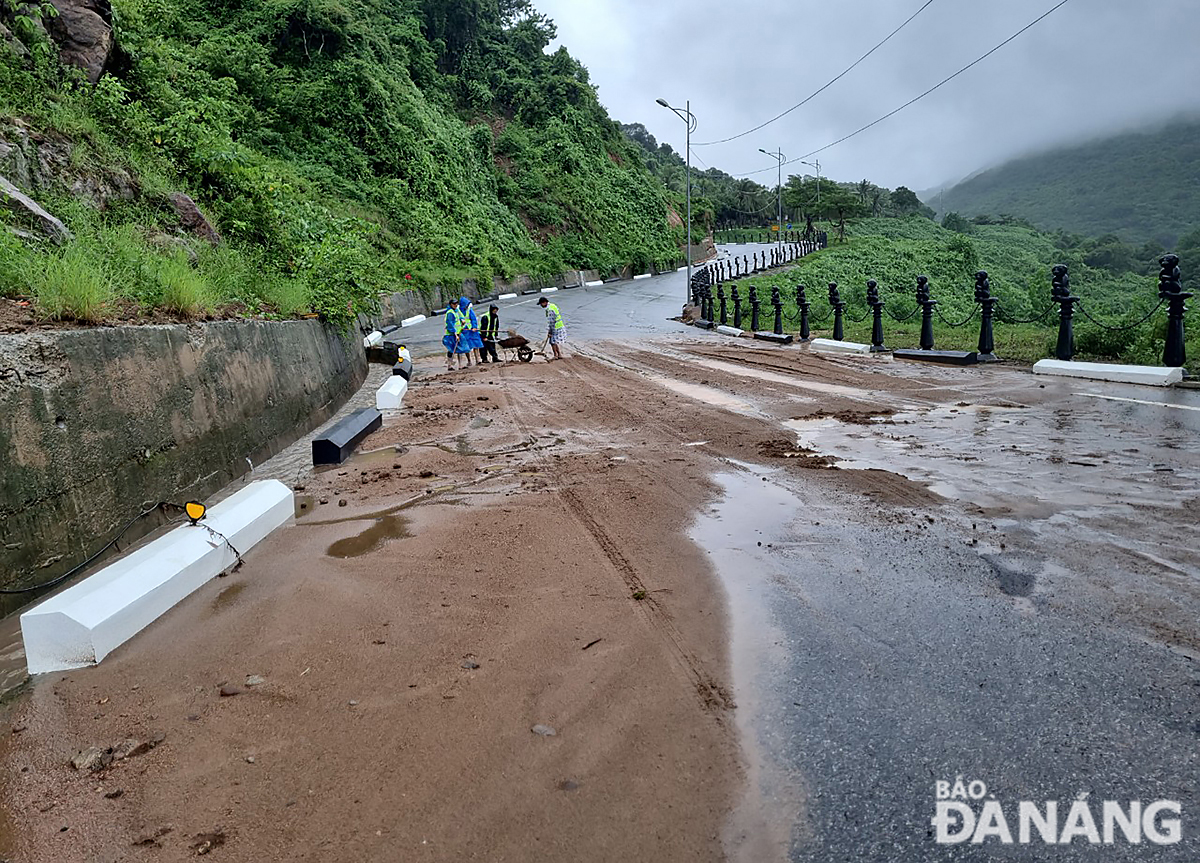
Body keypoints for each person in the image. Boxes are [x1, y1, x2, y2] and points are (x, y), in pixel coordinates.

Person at [537, 296, 567, 360]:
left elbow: (552, 321)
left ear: (544, 302)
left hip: (555, 327)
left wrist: (550, 331)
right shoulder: (553, 305)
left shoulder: (550, 310)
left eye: (541, 304)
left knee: (552, 342)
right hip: (559, 325)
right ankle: (559, 354)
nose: (541, 306)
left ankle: (555, 355)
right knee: (554, 341)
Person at [442, 303, 468, 371]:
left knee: (460, 349)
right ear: (451, 304)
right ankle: (449, 365)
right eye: (454, 304)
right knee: (451, 350)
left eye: (456, 304)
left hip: (458, 332)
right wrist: (455, 334)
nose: (455, 305)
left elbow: (461, 316)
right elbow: (450, 324)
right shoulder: (450, 313)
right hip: (451, 334)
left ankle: (460, 365)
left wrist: (462, 320)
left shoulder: (457, 310)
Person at [459, 297, 484, 366]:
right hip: (464, 331)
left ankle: (477, 360)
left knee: (476, 345)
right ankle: (469, 360)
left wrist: (474, 327)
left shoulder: (469, 310)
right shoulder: (458, 311)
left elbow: (473, 319)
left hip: (472, 331)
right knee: (467, 347)